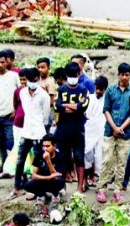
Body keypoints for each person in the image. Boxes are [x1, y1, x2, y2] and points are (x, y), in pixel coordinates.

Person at [97, 63, 130, 202]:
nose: (125, 77)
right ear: (118, 75)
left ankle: (117, 189)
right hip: (110, 131)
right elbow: (106, 109)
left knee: (121, 162)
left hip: (125, 133)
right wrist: (114, 127)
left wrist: (121, 128)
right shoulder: (110, 91)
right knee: (107, 159)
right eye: (122, 74)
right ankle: (102, 188)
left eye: (127, 75)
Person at [13, 68, 50, 197]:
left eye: (35, 80)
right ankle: (16, 188)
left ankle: (36, 190)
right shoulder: (22, 93)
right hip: (26, 131)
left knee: (38, 163)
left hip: (39, 132)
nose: (33, 83)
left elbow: (46, 116)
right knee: (20, 161)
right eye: (30, 80)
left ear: (38, 79)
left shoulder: (44, 95)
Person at [54, 62, 89, 193]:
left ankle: (79, 189)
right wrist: (75, 107)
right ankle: (62, 187)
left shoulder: (83, 89)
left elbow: (83, 106)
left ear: (79, 74)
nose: (72, 77)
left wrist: (66, 106)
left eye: (74, 75)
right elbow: (57, 106)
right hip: (63, 130)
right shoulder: (61, 89)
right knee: (63, 158)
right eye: (70, 75)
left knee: (79, 158)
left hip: (78, 130)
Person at [0, 50, 20, 179]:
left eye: (3, 62)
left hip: (10, 115)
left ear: (7, 62)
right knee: (0, 142)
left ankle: (14, 167)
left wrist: (16, 110)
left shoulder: (13, 76)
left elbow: (21, 92)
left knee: (11, 141)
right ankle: (5, 165)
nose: (1, 65)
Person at [84, 75, 108, 196]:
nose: (98, 91)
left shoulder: (107, 100)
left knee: (99, 157)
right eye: (97, 88)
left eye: (101, 89)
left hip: (101, 132)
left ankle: (99, 183)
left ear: (105, 89)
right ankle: (87, 180)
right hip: (88, 131)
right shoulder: (89, 97)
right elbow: (85, 114)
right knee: (87, 155)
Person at [23, 135, 65, 199]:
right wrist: (48, 177)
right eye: (43, 146)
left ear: (54, 146)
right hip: (42, 180)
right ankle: (41, 195)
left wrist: (48, 161)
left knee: (60, 182)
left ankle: (55, 194)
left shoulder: (60, 156)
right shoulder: (39, 155)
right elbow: (34, 176)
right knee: (27, 185)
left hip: (53, 182)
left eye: (48, 146)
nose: (45, 148)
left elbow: (56, 177)